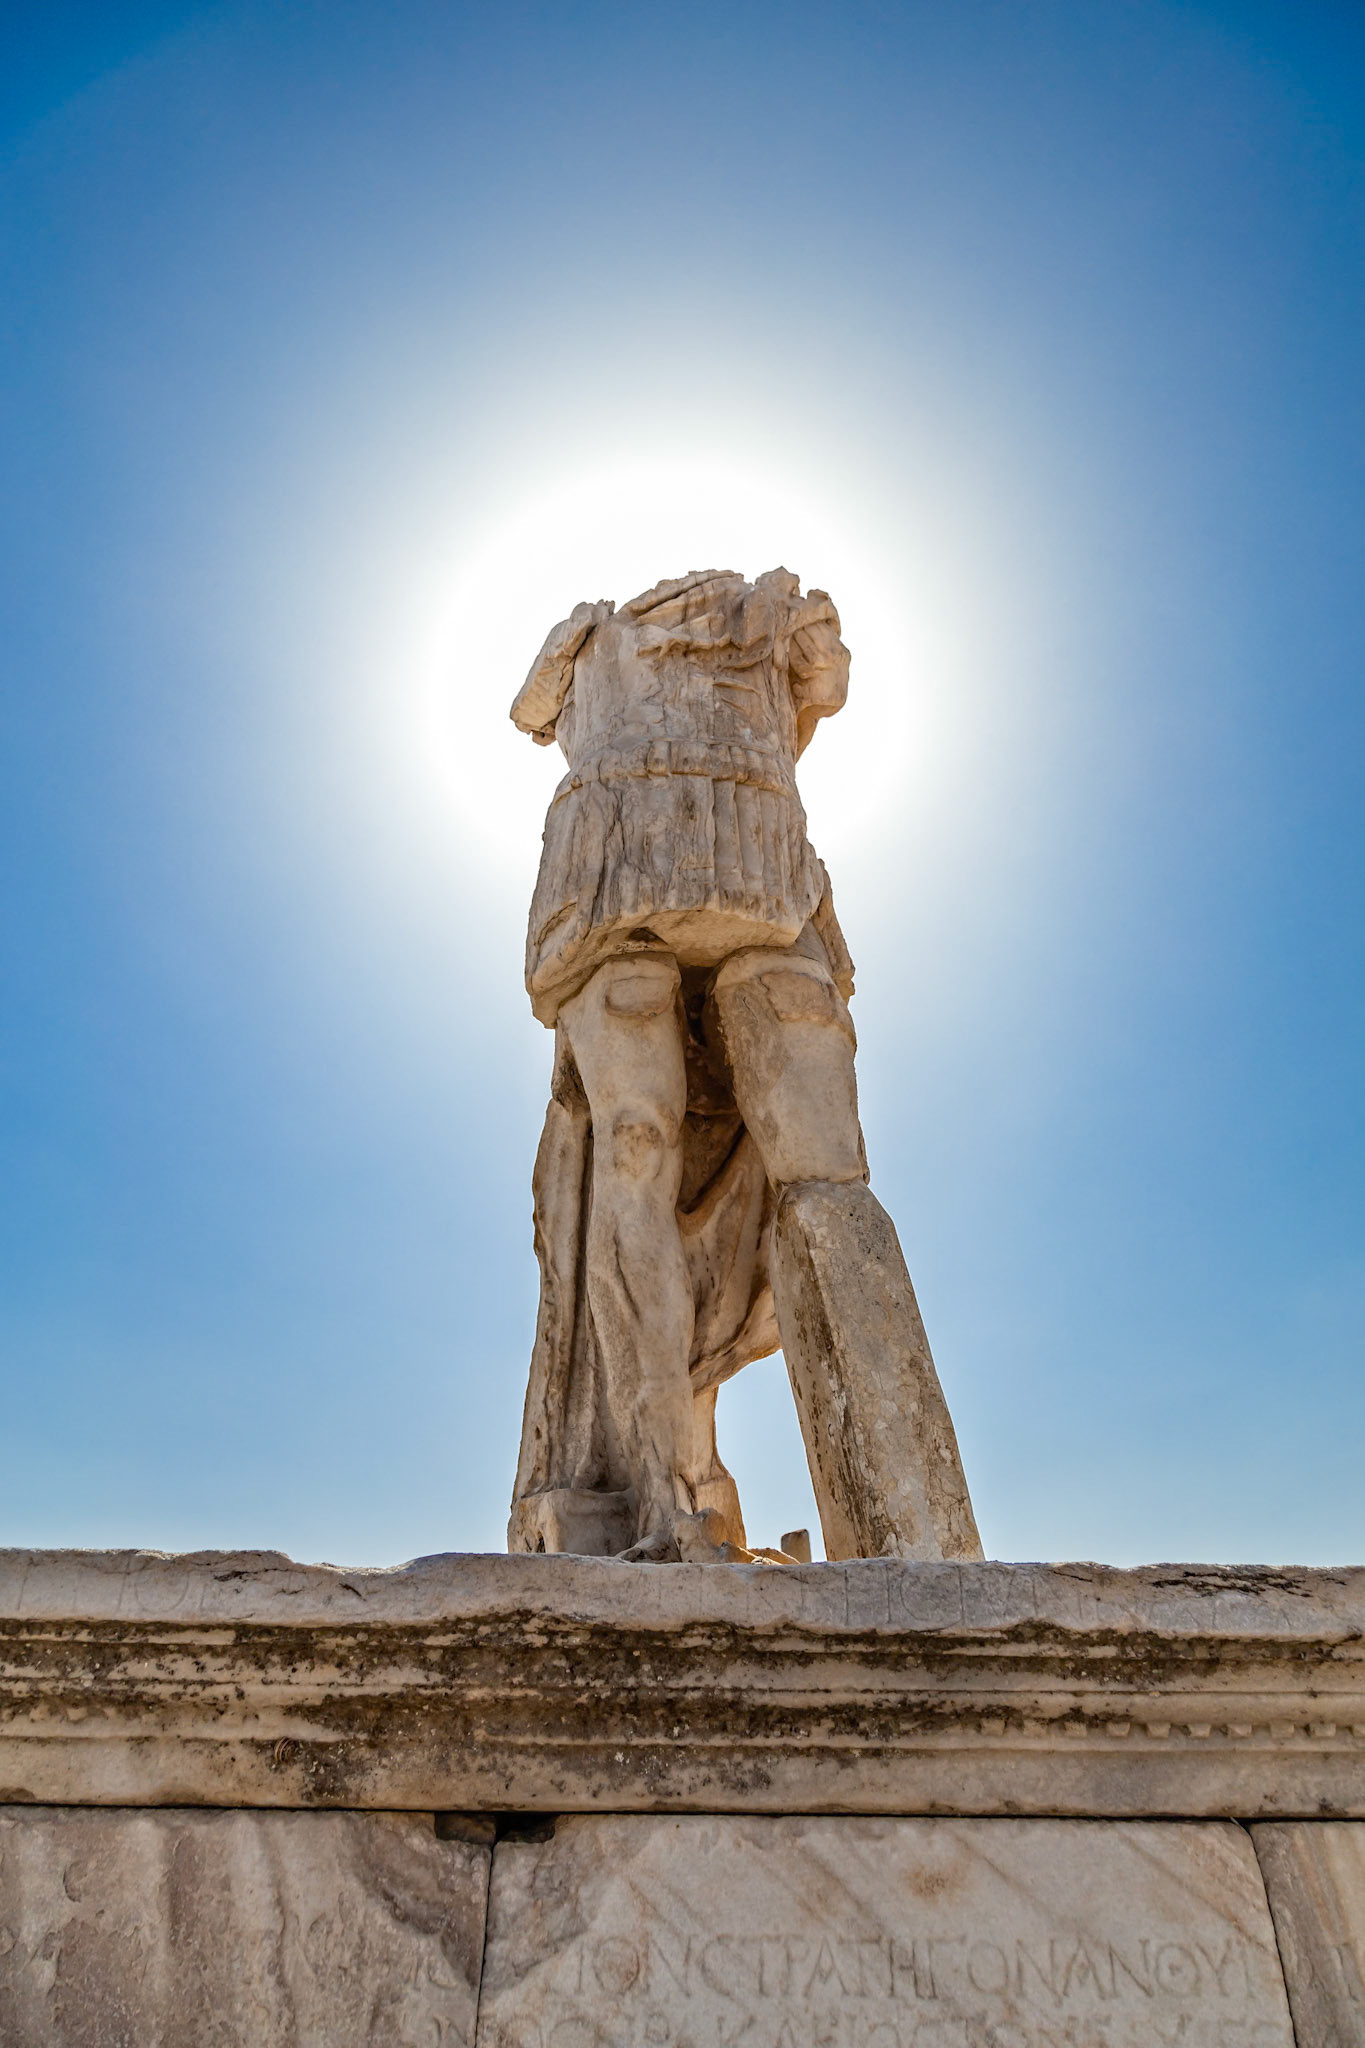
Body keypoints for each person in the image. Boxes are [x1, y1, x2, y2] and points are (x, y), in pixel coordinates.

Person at [507, 569, 980, 1564]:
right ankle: (666, 1492)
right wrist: (582, 639)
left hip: (761, 869)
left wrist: (801, 633)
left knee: (823, 1170)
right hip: (611, 873)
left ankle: (912, 1529)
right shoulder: (588, 634)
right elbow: (531, 709)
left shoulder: (783, 612)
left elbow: (828, 681)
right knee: (636, 1143)